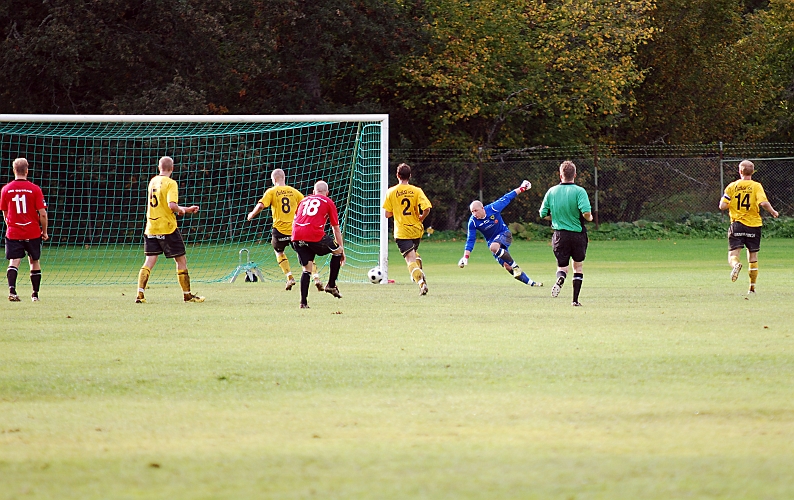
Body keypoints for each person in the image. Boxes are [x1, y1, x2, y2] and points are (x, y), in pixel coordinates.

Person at [135, 156, 204, 303]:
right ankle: (187, 295)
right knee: (181, 260)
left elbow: (166, 206)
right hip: (167, 228)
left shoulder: (153, 181)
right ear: (172, 168)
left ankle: (140, 294)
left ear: (159, 167)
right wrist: (181, 210)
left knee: (149, 261)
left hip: (151, 227)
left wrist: (186, 209)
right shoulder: (171, 183)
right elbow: (172, 206)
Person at [247, 169, 323, 291]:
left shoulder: (271, 191)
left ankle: (290, 277)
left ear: (274, 179)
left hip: (279, 231)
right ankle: (316, 277)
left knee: (279, 252)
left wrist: (251, 214)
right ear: (284, 178)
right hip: (295, 230)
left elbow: (261, 205)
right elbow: (305, 205)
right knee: (306, 254)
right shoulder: (294, 192)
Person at [458, 180, 542, 287]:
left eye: (476, 210)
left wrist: (522, 188)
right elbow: (470, 239)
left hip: (504, 234)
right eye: (472, 212)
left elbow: (508, 197)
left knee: (494, 247)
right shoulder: (473, 222)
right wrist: (465, 257)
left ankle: (516, 266)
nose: (474, 214)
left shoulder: (493, 208)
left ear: (482, 208)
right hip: (493, 243)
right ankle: (532, 283)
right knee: (507, 266)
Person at [718, 160, 779, 294]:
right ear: (752, 172)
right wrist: (773, 212)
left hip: (737, 225)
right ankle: (752, 287)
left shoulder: (732, 186)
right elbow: (763, 203)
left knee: (733, 255)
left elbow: (722, 206)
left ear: (740, 171)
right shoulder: (756, 186)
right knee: (753, 256)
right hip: (754, 225)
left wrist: (732, 203)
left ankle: (736, 265)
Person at [539, 160, 593, 306]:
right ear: (575, 175)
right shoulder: (579, 191)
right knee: (578, 267)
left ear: (560, 175)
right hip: (577, 235)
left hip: (559, 235)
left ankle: (561, 278)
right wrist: (590, 218)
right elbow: (586, 212)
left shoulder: (551, 192)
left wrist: (555, 217)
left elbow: (543, 214)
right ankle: (575, 300)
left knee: (562, 267)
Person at [291, 180, 345, 309]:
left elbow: (296, 219)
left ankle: (303, 303)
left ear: (314, 192)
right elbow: (335, 228)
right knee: (337, 251)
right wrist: (342, 250)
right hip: (313, 234)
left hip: (296, 235)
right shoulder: (328, 201)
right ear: (327, 192)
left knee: (306, 269)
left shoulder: (303, 201)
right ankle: (331, 285)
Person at [1, 158, 48, 302]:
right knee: (34, 260)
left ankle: (12, 291)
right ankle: (35, 295)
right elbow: (43, 214)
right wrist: (44, 232)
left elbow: (5, 212)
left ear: (14, 170)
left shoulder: (6, 189)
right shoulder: (35, 189)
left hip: (14, 232)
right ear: (27, 170)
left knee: (14, 261)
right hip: (32, 231)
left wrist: (10, 226)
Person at [383, 163, 432, 295]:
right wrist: (421, 217)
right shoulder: (417, 190)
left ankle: (421, 283)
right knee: (413, 254)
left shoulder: (391, 191)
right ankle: (418, 261)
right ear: (410, 176)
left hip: (402, 232)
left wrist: (396, 210)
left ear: (397, 175)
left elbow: (387, 214)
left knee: (410, 260)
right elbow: (427, 208)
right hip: (416, 230)